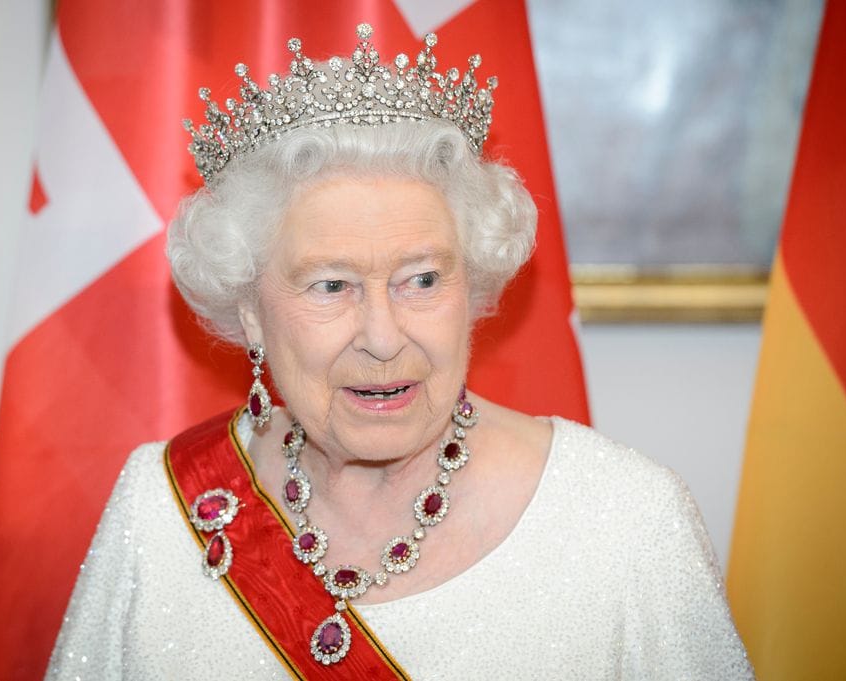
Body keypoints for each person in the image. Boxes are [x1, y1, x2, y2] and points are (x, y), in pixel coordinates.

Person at [47, 24, 753, 680]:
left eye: (422, 279)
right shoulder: (161, 506)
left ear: (473, 287)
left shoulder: (625, 522)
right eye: (331, 285)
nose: (384, 337)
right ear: (250, 312)